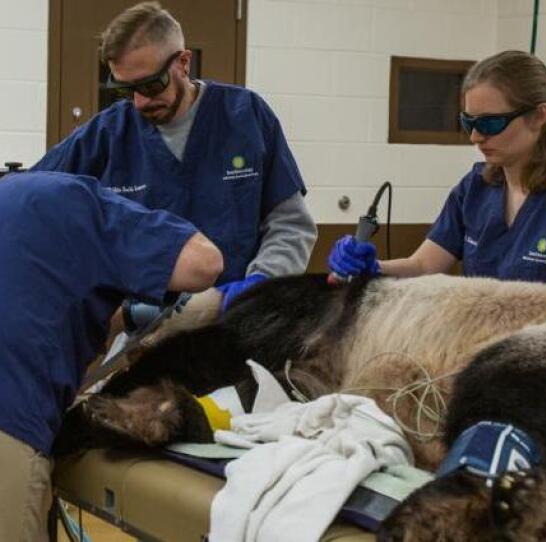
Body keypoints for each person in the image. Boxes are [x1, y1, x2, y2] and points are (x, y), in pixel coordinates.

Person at [31, 1, 317, 311]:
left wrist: (260, 286)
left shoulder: (246, 117)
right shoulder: (106, 135)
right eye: (126, 90)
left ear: (183, 63)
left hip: (237, 316)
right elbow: (30, 199)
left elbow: (290, 225)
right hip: (140, 324)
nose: (139, 103)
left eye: (151, 85)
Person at [0, 170, 223, 541]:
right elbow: (204, 263)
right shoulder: (79, 199)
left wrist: (121, 318)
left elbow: (40, 307)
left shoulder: (15, 205)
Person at [328, 50, 546, 291]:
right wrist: (373, 269)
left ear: (539, 116)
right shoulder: (476, 187)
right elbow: (424, 267)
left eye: (490, 124)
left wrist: (485, 315)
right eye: (469, 123)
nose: (476, 137)